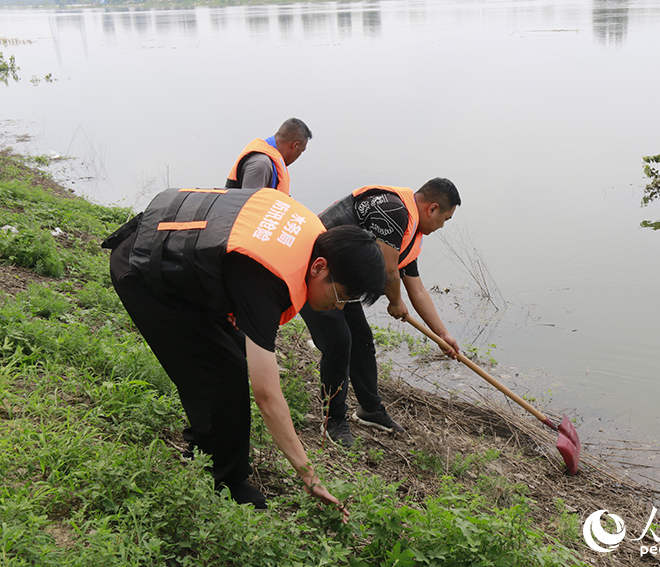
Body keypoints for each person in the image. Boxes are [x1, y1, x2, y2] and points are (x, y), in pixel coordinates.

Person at [103, 187, 385, 519]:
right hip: (143, 269)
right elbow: (267, 395)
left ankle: (203, 449)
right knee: (222, 371)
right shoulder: (268, 280)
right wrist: (308, 475)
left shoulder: (312, 235)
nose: (338, 306)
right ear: (319, 267)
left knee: (231, 354)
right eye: (341, 295)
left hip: (171, 248)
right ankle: (225, 482)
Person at [300, 178, 462, 447]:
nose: (442, 226)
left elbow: (417, 289)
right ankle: (334, 419)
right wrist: (395, 302)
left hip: (344, 283)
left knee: (362, 340)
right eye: (445, 218)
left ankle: (370, 410)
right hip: (316, 275)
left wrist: (443, 334)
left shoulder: (409, 230)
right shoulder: (394, 211)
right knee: (339, 341)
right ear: (432, 209)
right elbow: (389, 271)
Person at [225, 118, 312, 195]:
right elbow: (251, 208)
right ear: (295, 145)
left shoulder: (270, 161)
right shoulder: (261, 164)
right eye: (301, 151)